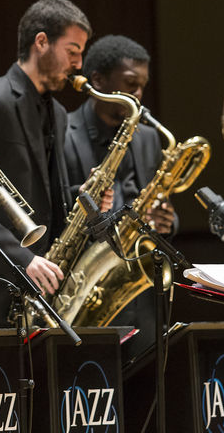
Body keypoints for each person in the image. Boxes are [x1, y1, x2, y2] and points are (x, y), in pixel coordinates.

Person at [0, 0, 92, 327]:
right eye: (72, 51)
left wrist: (79, 194)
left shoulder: (57, 112)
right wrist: (23, 259)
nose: (78, 64)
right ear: (42, 42)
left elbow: (42, 188)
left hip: (47, 284)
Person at [63, 34, 178, 333]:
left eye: (142, 85)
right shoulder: (63, 134)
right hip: (84, 287)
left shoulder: (148, 137)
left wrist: (166, 219)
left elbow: (156, 198)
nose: (138, 93)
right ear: (98, 80)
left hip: (139, 290)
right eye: (130, 84)